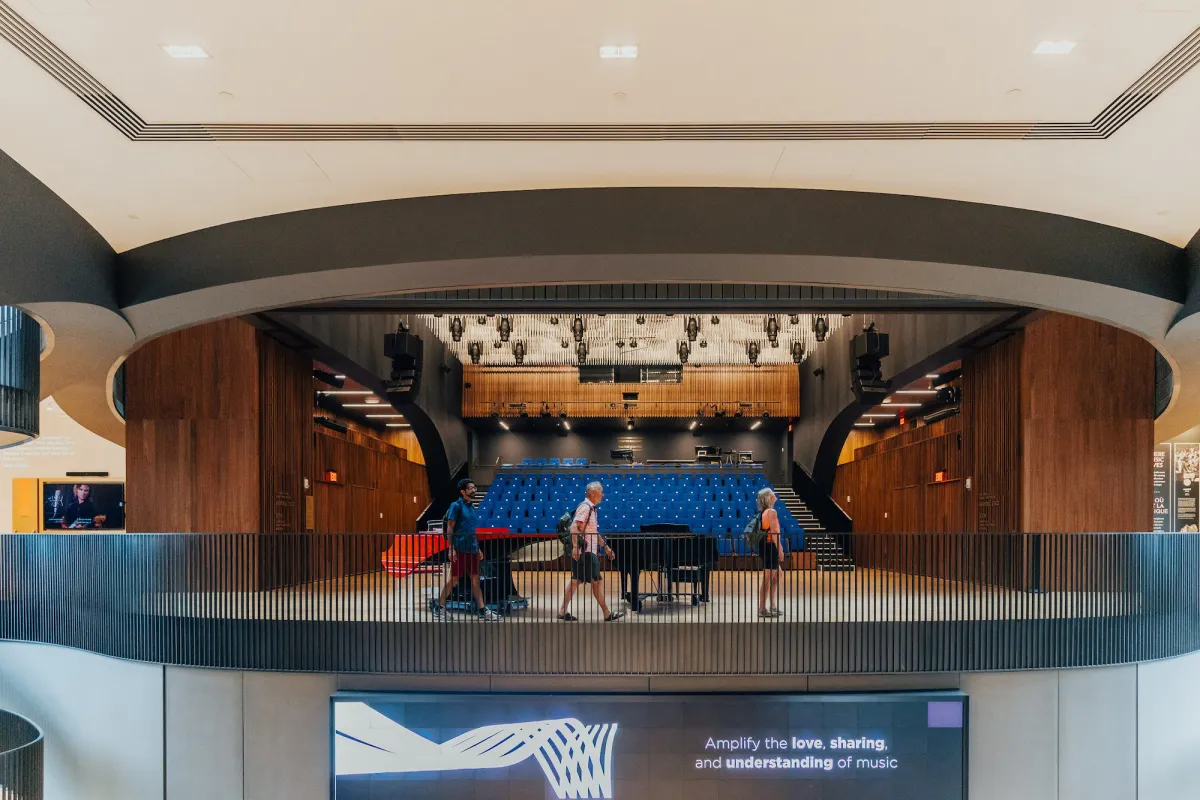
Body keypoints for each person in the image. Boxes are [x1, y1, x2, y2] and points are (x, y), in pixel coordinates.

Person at [429, 479, 500, 621]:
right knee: (454, 580)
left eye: (474, 487)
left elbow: (471, 531)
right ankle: (440, 608)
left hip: (472, 550)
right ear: (463, 491)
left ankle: (482, 610)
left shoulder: (472, 507)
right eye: (471, 488)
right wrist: (451, 549)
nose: (474, 490)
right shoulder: (456, 506)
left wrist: (478, 548)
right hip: (460, 549)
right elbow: (450, 528)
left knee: (475, 581)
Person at [558, 481, 624, 622]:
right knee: (596, 582)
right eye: (601, 491)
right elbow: (574, 528)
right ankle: (607, 613)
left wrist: (605, 547)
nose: (603, 494)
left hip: (587, 552)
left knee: (576, 581)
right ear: (592, 492)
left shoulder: (592, 509)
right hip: (586, 553)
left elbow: (594, 532)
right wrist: (576, 547)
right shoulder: (585, 507)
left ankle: (562, 611)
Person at [755, 487, 783, 618]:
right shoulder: (771, 512)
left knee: (778, 576)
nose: (775, 494)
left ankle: (772, 606)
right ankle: (762, 609)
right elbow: (776, 533)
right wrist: (780, 549)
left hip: (766, 547)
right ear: (768, 497)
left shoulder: (764, 512)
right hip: (770, 547)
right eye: (772, 493)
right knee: (767, 579)